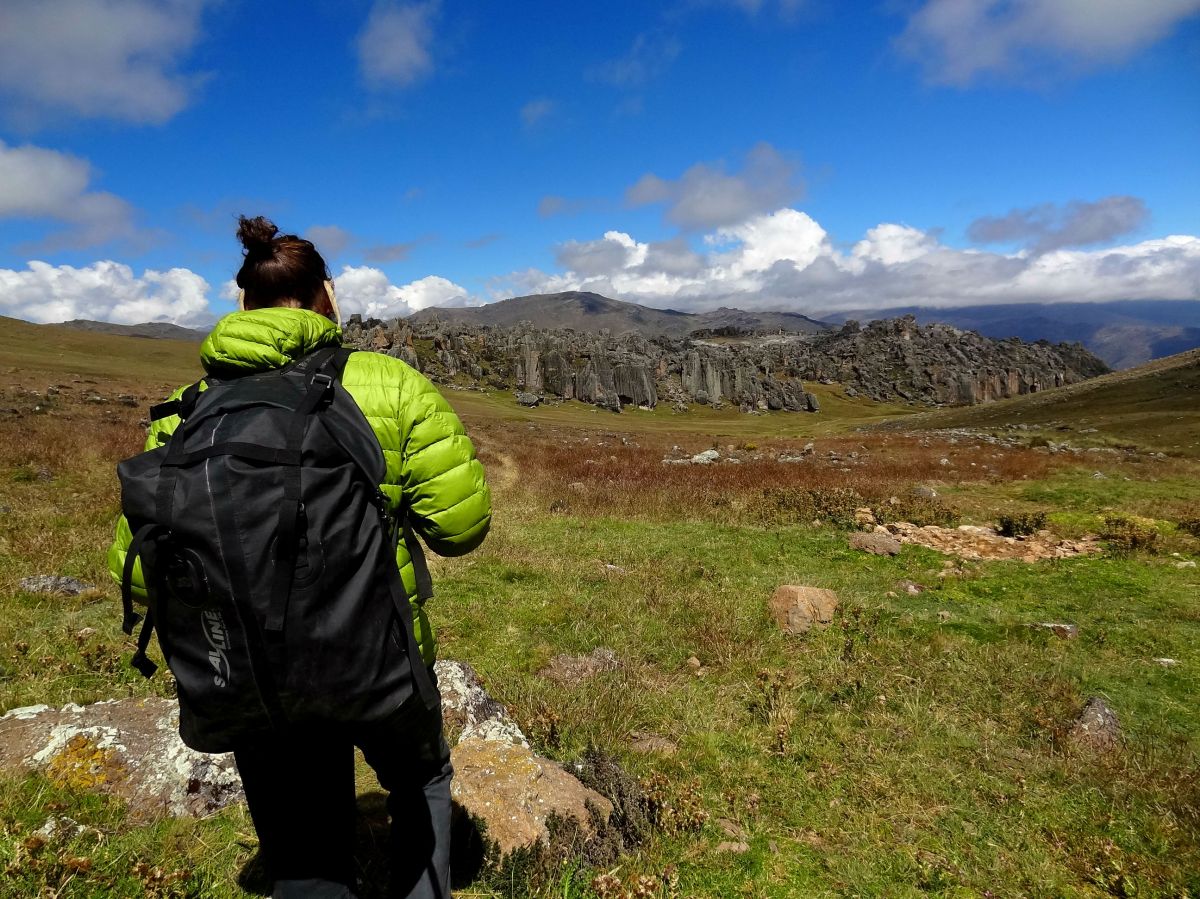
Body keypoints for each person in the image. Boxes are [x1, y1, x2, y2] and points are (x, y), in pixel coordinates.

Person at [108, 215, 491, 898]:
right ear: (328, 296)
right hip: (377, 656)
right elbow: (460, 529)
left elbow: (136, 572)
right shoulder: (390, 384)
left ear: (242, 304)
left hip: (248, 671)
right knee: (420, 777)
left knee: (304, 851)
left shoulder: (188, 409)